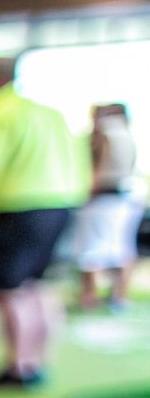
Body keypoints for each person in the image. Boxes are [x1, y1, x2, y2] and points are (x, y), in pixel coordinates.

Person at [0, 56, 89, 391]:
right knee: (36, 285)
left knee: (8, 289)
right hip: (57, 208)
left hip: (15, 210)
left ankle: (18, 367)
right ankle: (35, 362)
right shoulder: (50, 116)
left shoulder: (1, 118)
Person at [73, 103, 140, 313]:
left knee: (90, 251)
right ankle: (119, 298)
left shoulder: (105, 132)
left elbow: (95, 168)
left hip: (103, 198)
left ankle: (89, 297)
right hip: (125, 198)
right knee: (122, 249)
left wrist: (85, 194)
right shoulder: (126, 134)